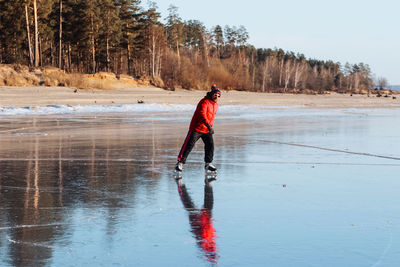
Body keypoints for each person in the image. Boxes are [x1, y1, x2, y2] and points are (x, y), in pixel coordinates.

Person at [175, 84, 221, 172]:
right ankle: (180, 163)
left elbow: (211, 117)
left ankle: (208, 164)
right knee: (189, 145)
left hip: (207, 129)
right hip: (197, 128)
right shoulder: (204, 102)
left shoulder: (216, 105)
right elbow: (202, 114)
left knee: (210, 145)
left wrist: (210, 126)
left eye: (219, 96)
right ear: (212, 94)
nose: (217, 97)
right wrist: (208, 125)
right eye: (215, 95)